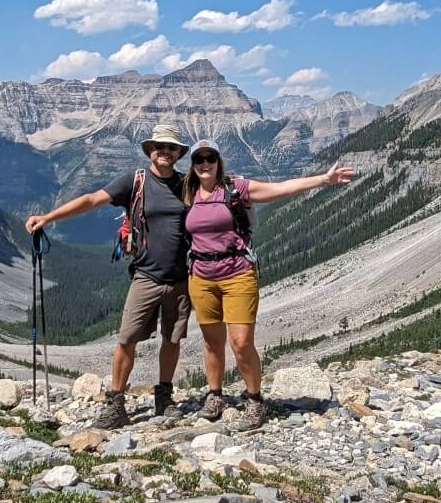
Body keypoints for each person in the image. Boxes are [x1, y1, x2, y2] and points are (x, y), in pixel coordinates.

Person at [25, 124, 191, 428]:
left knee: (172, 339)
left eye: (171, 148)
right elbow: (90, 200)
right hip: (146, 276)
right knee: (127, 339)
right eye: (160, 147)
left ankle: (164, 397)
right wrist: (48, 217)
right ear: (150, 150)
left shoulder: (186, 184)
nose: (165, 152)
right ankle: (116, 401)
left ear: (179, 153)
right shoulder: (135, 182)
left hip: (182, 278)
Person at [183, 138, 355, 431]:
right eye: (199, 159)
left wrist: (324, 180)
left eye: (209, 157)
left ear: (218, 160)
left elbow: (283, 188)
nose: (204, 164)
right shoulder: (187, 194)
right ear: (192, 164)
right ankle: (215, 396)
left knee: (241, 343)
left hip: (237, 274)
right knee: (212, 342)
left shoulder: (237, 189)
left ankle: (254, 400)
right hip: (200, 276)